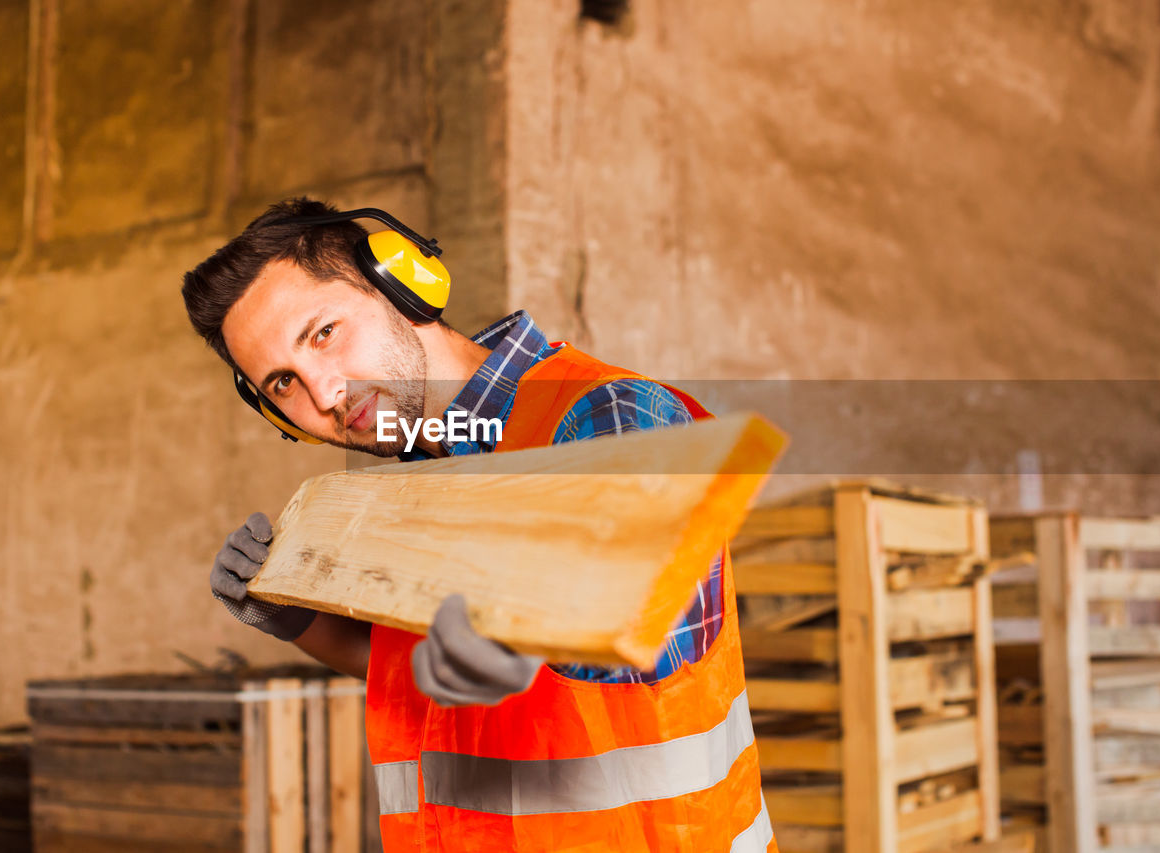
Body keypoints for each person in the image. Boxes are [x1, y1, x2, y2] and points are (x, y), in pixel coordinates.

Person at [181, 198, 776, 853]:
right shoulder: (414, 478)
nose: (323, 395)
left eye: (323, 333)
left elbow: (655, 627)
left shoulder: (604, 415)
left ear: (403, 285)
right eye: (282, 384)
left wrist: (525, 642)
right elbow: (416, 668)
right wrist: (296, 620)